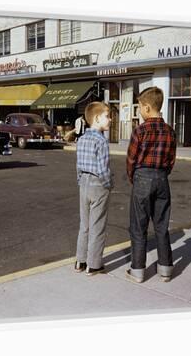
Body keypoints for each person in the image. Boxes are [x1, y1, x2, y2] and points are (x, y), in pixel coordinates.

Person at [125, 87, 177, 283]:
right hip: (162, 178)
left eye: (139, 107)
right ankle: (165, 268)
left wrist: (134, 177)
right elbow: (171, 159)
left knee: (139, 226)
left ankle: (137, 270)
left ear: (147, 107)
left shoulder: (140, 130)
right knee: (161, 225)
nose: (139, 111)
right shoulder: (170, 131)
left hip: (142, 178)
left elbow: (131, 159)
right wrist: (161, 174)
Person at [75, 102, 112, 276]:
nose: (110, 119)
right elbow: (103, 168)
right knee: (97, 225)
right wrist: (108, 184)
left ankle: (80, 261)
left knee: (85, 224)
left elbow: (78, 165)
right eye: (107, 116)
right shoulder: (102, 141)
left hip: (83, 183)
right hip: (98, 184)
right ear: (97, 119)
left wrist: (80, 181)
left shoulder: (81, 139)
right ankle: (94, 264)